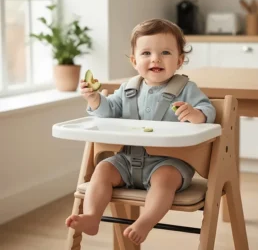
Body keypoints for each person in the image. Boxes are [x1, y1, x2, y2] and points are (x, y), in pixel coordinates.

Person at [66, 18, 216, 245]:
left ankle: (146, 221)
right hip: (126, 159)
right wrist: (96, 99)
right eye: (146, 53)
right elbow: (109, 111)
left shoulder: (186, 89)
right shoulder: (127, 88)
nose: (155, 58)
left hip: (169, 162)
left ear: (179, 60)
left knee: (164, 181)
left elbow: (208, 108)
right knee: (102, 170)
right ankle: (92, 217)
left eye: (165, 52)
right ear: (135, 61)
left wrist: (196, 114)